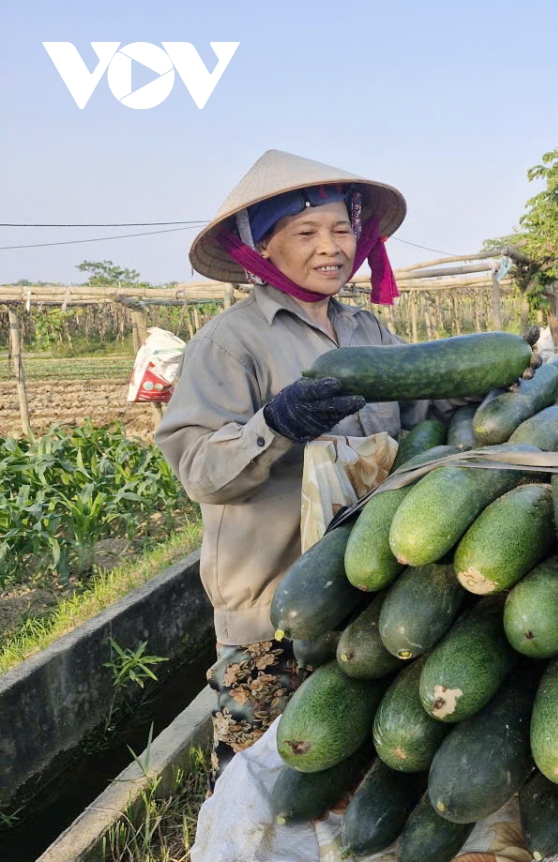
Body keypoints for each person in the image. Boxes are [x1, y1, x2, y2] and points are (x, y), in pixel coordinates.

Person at [156, 149, 461, 786]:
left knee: (341, 783)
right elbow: (198, 470)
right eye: (305, 232)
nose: (331, 248)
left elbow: (432, 394)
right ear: (261, 248)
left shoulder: (368, 333)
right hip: (272, 607)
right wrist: (276, 424)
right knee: (257, 783)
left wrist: (511, 379)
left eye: (342, 230)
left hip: (366, 593)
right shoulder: (231, 340)